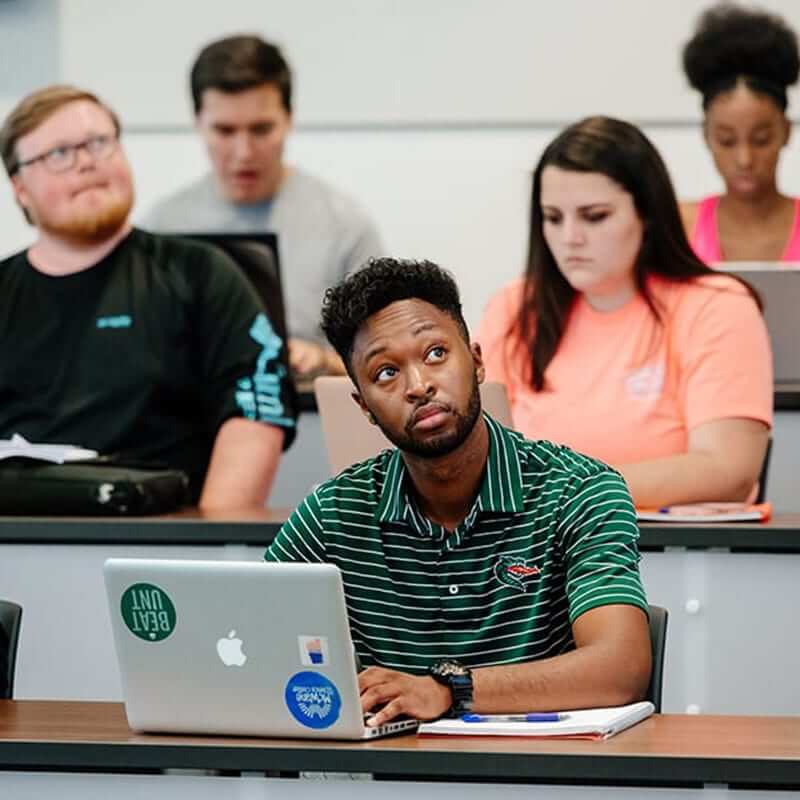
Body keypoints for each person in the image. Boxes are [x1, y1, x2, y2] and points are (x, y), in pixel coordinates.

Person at [265, 258, 650, 726]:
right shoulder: (332, 517)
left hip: (541, 776)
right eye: (386, 373)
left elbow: (621, 667)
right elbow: (255, 645)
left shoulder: (578, 491)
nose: (419, 386)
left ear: (478, 361)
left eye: (435, 354)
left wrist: (450, 690)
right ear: (363, 406)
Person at [0, 85, 297, 509]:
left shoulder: (199, 273)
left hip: (158, 540)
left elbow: (256, 412)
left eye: (99, 143)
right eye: (59, 154)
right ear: (20, 188)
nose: (86, 162)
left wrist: (206, 544)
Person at [478, 116, 772, 509]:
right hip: (535, 560)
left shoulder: (717, 306)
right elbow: (480, 466)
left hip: (675, 558)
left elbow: (726, 472)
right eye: (553, 218)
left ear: (646, 214)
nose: (570, 238)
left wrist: (556, 494)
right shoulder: (513, 308)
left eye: (595, 216)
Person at [144, 35, 384, 378]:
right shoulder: (161, 229)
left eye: (261, 129)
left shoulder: (344, 226)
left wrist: (322, 361)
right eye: (224, 131)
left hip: (309, 420)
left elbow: (385, 363)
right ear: (198, 122)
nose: (244, 152)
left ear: (288, 119)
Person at [680, 3, 800, 262]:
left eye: (761, 140)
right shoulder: (679, 228)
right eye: (727, 141)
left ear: (787, 132)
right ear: (706, 136)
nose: (744, 159)